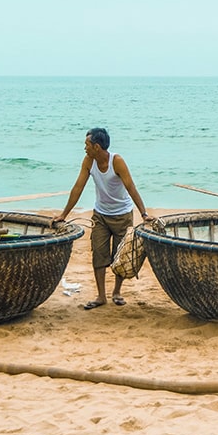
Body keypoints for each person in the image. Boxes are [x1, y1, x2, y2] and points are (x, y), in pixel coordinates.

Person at [54, 127, 153, 310]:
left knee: (119, 256)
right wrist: (63, 215)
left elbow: (131, 187)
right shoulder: (88, 161)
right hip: (100, 214)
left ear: (97, 147)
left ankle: (117, 292)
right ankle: (101, 296)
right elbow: (78, 188)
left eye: (87, 144)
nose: (85, 148)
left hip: (122, 215)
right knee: (98, 253)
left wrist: (144, 213)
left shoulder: (117, 161)